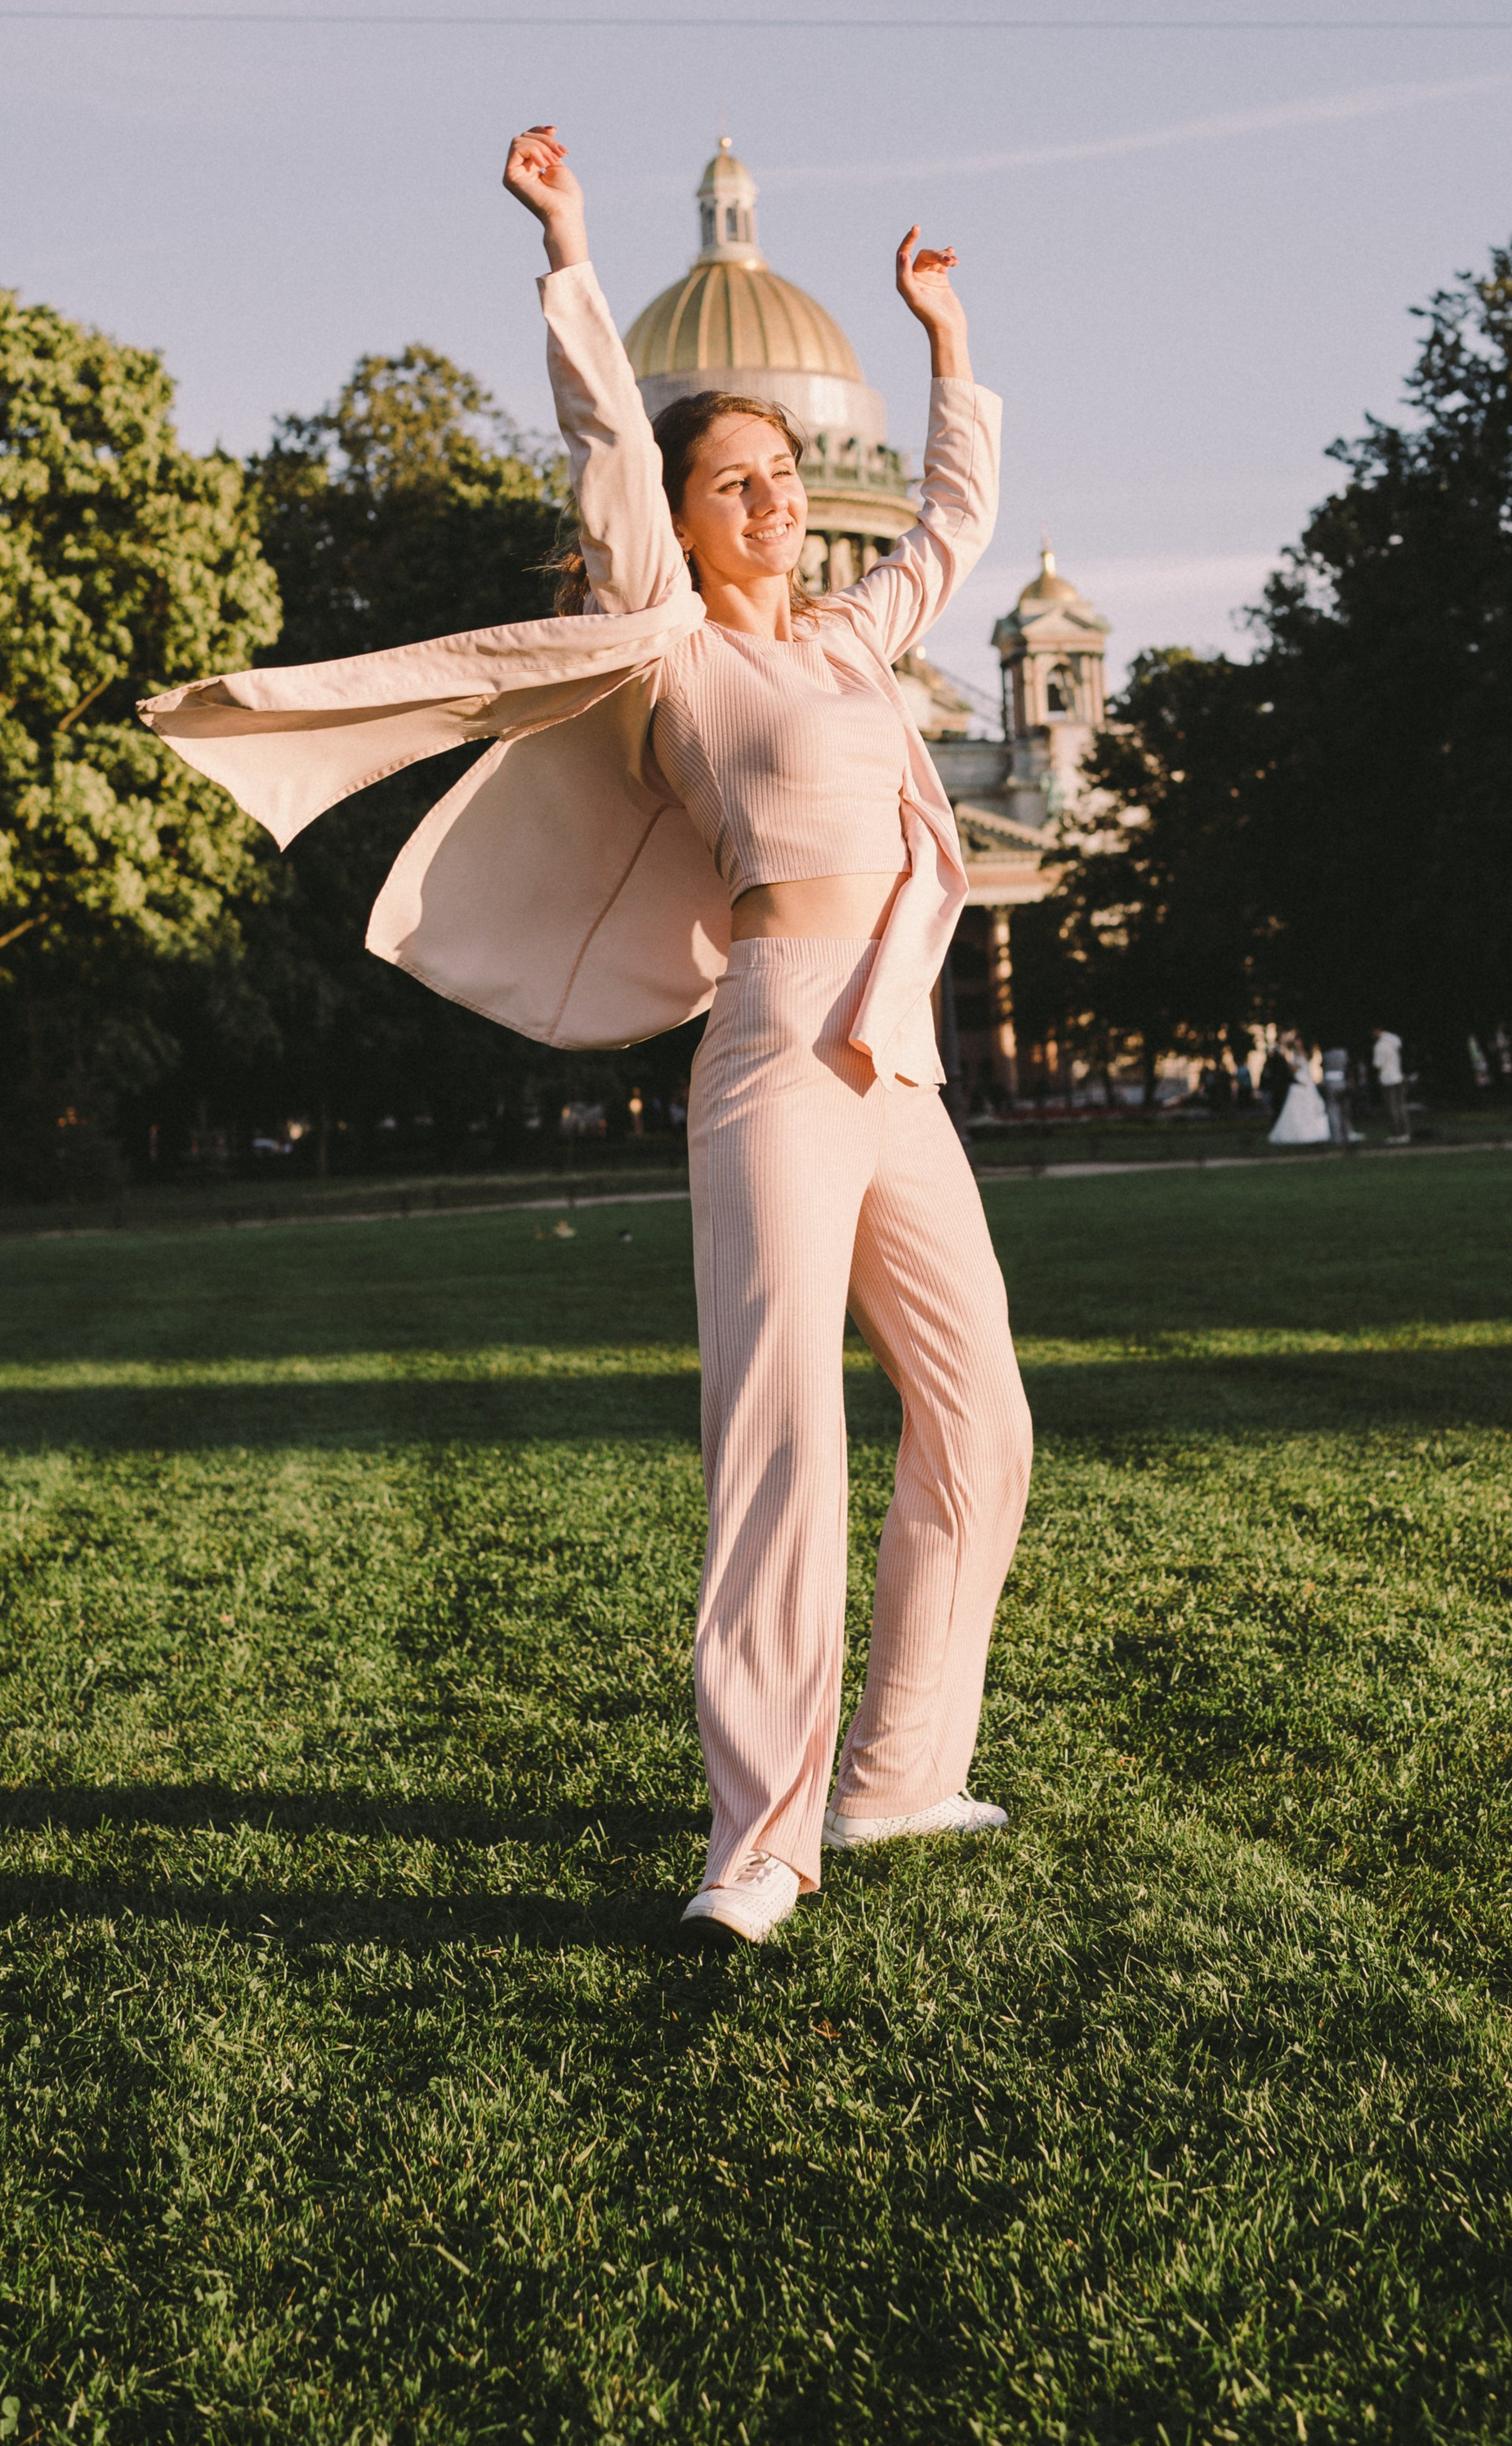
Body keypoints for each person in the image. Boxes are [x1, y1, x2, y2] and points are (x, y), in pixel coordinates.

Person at [142, 124, 1033, 1948]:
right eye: (738, 481)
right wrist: (565, 241)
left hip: (897, 1057)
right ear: (688, 520)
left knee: (983, 1419)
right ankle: (758, 1843)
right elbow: (611, 447)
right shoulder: (674, 648)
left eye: (785, 473)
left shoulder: (856, 642)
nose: (773, 498)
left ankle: (896, 1774)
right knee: (781, 1436)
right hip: (777, 1046)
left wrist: (946, 344)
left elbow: (949, 525)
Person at [1268, 1033, 1331, 1146]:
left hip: (1305, 1083)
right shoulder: (1295, 1053)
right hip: (1300, 1083)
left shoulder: (1302, 1054)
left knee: (1308, 1107)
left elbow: (1294, 1068)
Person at [1371, 1024, 1409, 1142]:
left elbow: (1378, 1064)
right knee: (1400, 1107)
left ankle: (1396, 1134)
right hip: (1398, 1077)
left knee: (1391, 1108)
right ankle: (1405, 1133)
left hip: (1387, 1079)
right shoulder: (1394, 1041)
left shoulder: (1380, 1046)